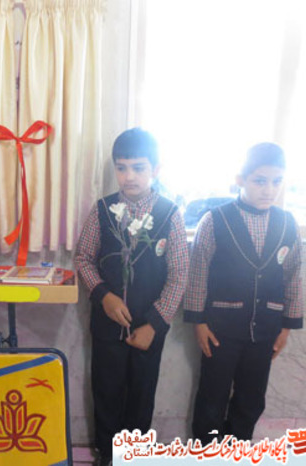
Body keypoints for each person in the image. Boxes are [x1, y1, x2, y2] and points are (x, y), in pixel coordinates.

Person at [74, 128, 189, 466]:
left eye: (139, 168)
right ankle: (106, 453)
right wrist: (103, 295)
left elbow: (179, 274)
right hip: (107, 325)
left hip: (148, 328)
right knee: (106, 389)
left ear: (156, 169)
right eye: (121, 168)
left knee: (141, 393)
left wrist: (154, 323)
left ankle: (134, 456)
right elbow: (83, 258)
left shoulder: (170, 214)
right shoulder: (102, 209)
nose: (129, 176)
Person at [183, 142, 303, 444]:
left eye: (276, 181)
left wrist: (287, 327)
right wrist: (198, 322)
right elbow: (198, 273)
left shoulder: (288, 224)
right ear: (241, 179)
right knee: (212, 395)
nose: (268, 190)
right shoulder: (215, 220)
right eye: (260, 181)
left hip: (265, 329)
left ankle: (238, 448)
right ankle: (208, 452)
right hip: (220, 328)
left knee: (252, 397)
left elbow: (292, 275)